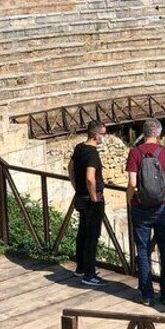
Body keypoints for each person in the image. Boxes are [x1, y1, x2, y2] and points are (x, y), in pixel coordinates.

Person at [126, 118, 165, 306]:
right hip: (163, 206)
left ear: (144, 133)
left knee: (143, 250)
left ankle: (147, 295)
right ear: (158, 134)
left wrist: (130, 199)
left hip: (140, 208)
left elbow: (133, 183)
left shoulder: (134, 152)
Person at [68, 120, 108, 287]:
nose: (103, 138)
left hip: (81, 197)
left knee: (82, 232)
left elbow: (70, 167)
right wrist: (94, 198)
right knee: (92, 236)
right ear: (95, 135)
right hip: (92, 199)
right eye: (102, 134)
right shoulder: (92, 153)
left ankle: (81, 267)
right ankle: (89, 274)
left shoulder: (79, 148)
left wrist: (77, 188)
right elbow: (90, 178)